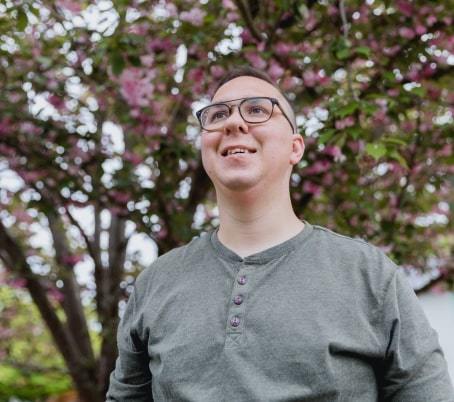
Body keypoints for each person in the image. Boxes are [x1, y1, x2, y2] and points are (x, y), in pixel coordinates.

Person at [106, 66, 454, 401]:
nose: (234, 122)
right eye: (217, 115)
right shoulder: (155, 284)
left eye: (257, 109)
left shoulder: (370, 275)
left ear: (295, 147)